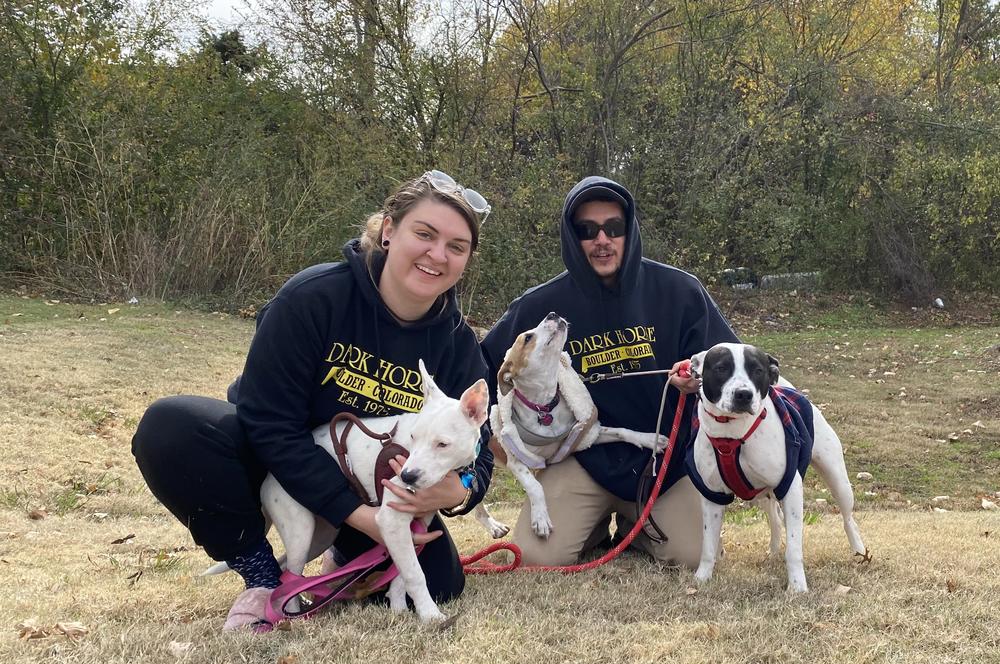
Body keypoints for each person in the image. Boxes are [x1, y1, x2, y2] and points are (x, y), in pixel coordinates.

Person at [132, 171, 495, 630]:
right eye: (424, 234)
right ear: (388, 230)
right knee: (171, 427)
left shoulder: (459, 344)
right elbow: (268, 423)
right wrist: (360, 517)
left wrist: (461, 490)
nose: (437, 254)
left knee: (441, 584)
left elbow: (479, 451)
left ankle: (342, 547)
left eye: (456, 246)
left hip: (373, 482)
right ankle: (263, 574)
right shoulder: (313, 298)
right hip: (273, 461)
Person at [481, 176, 738, 568]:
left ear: (629, 230)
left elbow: (730, 363)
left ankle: (640, 527)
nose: (602, 239)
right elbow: (481, 371)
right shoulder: (540, 307)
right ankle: (595, 524)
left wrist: (699, 382)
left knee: (691, 557)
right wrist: (497, 437)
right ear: (572, 237)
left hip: (662, 461)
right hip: (580, 458)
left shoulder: (680, 290)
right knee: (534, 557)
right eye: (588, 230)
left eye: (613, 228)